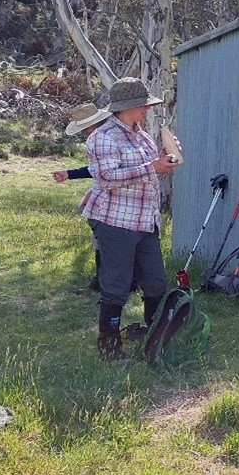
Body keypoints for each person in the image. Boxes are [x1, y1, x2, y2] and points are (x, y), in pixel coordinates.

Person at [80, 78, 179, 362]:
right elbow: (106, 178)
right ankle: (109, 347)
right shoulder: (103, 137)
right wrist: (152, 167)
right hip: (115, 221)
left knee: (156, 282)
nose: (146, 110)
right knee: (117, 285)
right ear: (127, 107)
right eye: (143, 106)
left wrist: (163, 159)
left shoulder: (141, 135)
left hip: (145, 222)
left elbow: (147, 170)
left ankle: (154, 338)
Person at [53, 102, 112, 292]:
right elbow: (95, 171)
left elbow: (104, 174)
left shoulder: (101, 139)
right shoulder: (100, 138)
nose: (83, 132)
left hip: (109, 199)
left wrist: (89, 194)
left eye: (83, 128)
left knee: (106, 242)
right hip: (102, 195)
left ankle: (107, 284)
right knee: (100, 241)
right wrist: (69, 174)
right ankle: (101, 281)